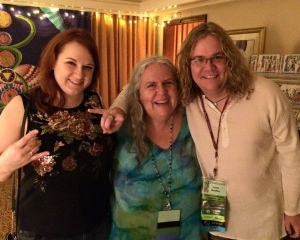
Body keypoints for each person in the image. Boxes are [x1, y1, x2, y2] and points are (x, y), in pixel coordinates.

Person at [102, 22, 300, 240]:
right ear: (189, 65)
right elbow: (136, 85)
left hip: (264, 224)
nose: (209, 67)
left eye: (217, 57)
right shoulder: (190, 100)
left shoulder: (265, 94)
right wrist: (118, 107)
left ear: (230, 59)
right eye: (199, 59)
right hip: (215, 226)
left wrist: (292, 209)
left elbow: (292, 153)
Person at [0, 28, 115, 240]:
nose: (79, 75)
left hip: (95, 228)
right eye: (71, 63)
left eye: (87, 67)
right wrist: (7, 163)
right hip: (41, 231)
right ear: (53, 62)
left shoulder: (94, 101)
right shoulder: (22, 106)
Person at [91, 56, 202, 239]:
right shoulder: (119, 130)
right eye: (151, 85)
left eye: (168, 83)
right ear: (137, 94)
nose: (162, 92)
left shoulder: (195, 123)